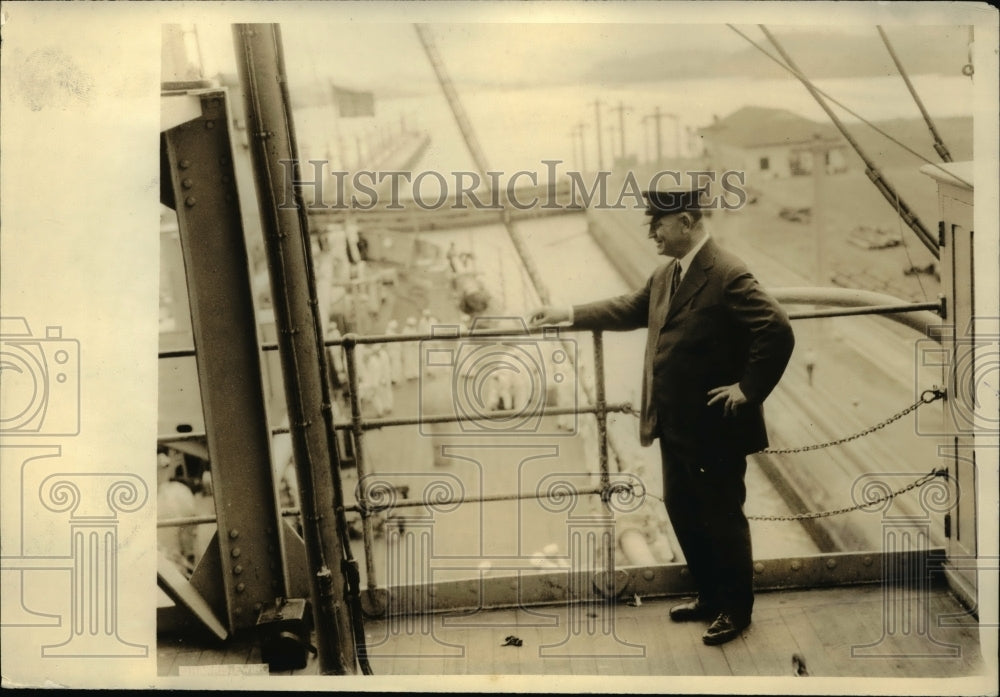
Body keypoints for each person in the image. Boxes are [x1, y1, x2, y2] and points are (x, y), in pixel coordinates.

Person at [528, 185, 794, 647]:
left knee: (723, 516)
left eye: (659, 224)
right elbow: (630, 307)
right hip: (675, 425)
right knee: (684, 512)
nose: (652, 233)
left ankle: (736, 609)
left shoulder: (727, 273)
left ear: (687, 223)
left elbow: (776, 328)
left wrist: (748, 390)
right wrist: (566, 312)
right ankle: (710, 596)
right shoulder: (667, 273)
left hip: (715, 427)